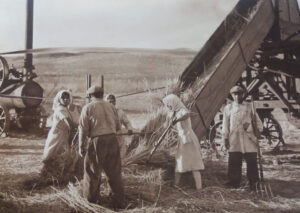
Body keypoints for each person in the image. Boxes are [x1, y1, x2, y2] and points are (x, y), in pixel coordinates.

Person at [78, 85, 124, 208]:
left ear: (91, 96)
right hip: (112, 139)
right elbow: (118, 127)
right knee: (114, 172)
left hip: (98, 141)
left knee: (92, 171)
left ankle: (90, 203)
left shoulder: (88, 107)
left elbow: (83, 129)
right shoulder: (111, 107)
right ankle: (118, 202)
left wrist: (81, 146)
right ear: (102, 94)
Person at [222, 85, 263, 190]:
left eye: (239, 94)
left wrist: (258, 130)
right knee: (234, 161)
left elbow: (257, 121)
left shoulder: (249, 107)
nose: (237, 97)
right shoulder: (228, 108)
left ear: (243, 95)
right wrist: (225, 138)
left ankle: (254, 183)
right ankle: (234, 182)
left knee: (252, 162)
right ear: (232, 95)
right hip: (234, 139)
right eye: (235, 94)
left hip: (248, 138)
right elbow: (225, 125)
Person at [162, 94, 204, 190]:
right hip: (182, 140)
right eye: (167, 105)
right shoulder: (173, 113)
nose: (168, 106)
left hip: (189, 139)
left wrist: (177, 120)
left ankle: (199, 189)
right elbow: (167, 125)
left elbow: (187, 114)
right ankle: (176, 186)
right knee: (180, 162)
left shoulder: (182, 110)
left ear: (174, 102)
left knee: (194, 164)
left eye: (168, 104)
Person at [42, 90, 76, 178]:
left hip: (63, 133)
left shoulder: (65, 109)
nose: (65, 99)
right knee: (55, 153)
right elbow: (69, 124)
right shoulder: (61, 110)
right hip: (57, 135)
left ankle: (57, 174)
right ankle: (52, 175)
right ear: (59, 99)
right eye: (63, 98)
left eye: (67, 98)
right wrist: (81, 126)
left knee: (61, 154)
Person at [106, 94, 133, 159]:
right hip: (107, 137)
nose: (112, 103)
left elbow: (127, 122)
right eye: (110, 102)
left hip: (118, 136)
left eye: (113, 101)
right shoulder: (104, 112)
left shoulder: (120, 112)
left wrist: (129, 129)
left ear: (115, 102)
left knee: (121, 154)